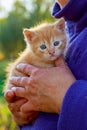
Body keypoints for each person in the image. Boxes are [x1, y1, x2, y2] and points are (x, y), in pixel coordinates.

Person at [4, 0, 87, 130]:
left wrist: (66, 97)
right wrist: (21, 117)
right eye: (43, 47)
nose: (52, 52)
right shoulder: (67, 29)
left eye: (55, 44)